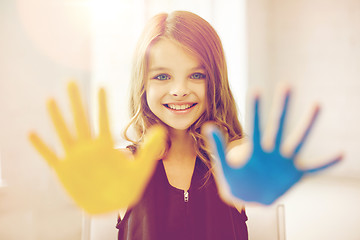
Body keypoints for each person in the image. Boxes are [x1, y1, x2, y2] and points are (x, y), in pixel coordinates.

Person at [29, 10, 342, 240]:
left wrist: (250, 171)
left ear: (215, 81)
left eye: (197, 74)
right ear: (143, 86)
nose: (179, 89)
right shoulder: (126, 168)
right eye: (162, 76)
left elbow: (238, 157)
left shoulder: (230, 158)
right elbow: (113, 170)